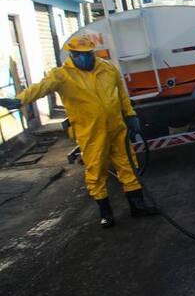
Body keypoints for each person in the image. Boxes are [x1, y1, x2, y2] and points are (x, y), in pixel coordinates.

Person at [0, 36, 157, 228]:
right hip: (90, 133)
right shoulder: (61, 75)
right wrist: (20, 100)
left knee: (128, 165)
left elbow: (121, 94)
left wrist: (131, 115)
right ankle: (106, 213)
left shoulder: (108, 69)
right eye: (78, 55)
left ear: (92, 52)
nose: (83, 58)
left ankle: (137, 206)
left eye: (87, 54)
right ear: (71, 55)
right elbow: (40, 87)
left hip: (117, 128)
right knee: (96, 171)